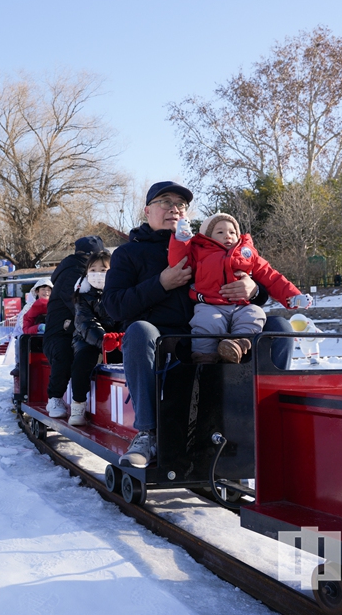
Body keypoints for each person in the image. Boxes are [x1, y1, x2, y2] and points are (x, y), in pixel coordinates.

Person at [103, 181, 293, 469]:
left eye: (181, 204)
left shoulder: (207, 244)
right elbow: (114, 306)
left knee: (279, 328)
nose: (174, 208)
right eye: (165, 202)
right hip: (167, 338)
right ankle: (147, 434)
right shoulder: (128, 254)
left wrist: (253, 290)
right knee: (140, 331)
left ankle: (266, 424)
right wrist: (161, 284)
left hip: (221, 332)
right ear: (148, 211)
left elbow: (257, 277)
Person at [168, 212, 311, 363]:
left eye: (232, 232)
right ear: (208, 236)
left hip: (242, 305)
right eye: (220, 232)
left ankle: (237, 345)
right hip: (211, 304)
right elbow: (180, 262)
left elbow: (271, 276)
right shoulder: (200, 252)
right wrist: (182, 239)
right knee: (207, 322)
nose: (228, 236)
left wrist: (293, 295)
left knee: (255, 315)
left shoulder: (246, 253)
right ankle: (204, 357)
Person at [43, 236, 106, 420]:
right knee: (66, 354)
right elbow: (80, 309)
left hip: (79, 331)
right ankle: (55, 397)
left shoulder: (86, 273)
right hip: (62, 332)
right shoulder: (73, 273)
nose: (98, 271)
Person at [68, 250, 121, 426]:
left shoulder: (120, 293)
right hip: (88, 339)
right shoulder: (82, 296)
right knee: (83, 361)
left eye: (103, 270)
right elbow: (85, 322)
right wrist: (103, 340)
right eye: (93, 270)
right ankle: (78, 404)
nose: (97, 274)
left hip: (117, 340)